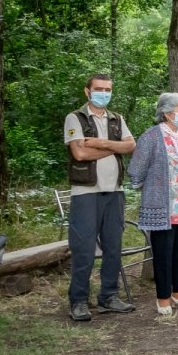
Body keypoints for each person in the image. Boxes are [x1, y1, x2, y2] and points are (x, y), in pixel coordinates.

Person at [63, 74, 137, 321]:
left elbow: (131, 146)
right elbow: (80, 154)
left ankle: (108, 297)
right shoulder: (75, 118)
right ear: (87, 91)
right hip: (86, 193)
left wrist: (100, 143)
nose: (103, 93)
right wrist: (113, 146)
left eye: (107, 89)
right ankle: (79, 301)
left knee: (113, 247)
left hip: (114, 191)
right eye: (98, 89)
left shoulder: (117, 119)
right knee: (83, 249)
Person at [128, 92, 178, 316]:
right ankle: (163, 297)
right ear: (167, 113)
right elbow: (137, 169)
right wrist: (146, 186)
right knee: (163, 251)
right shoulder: (151, 136)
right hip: (163, 204)